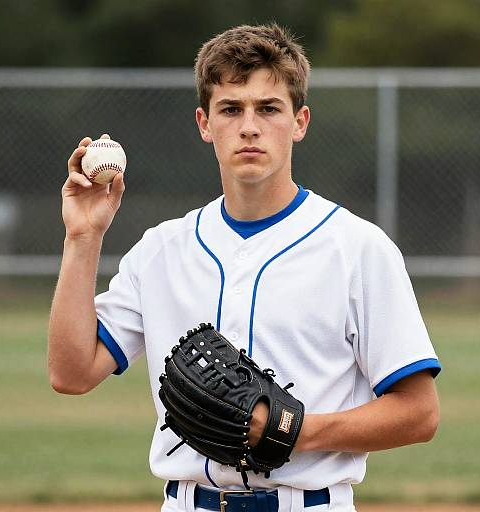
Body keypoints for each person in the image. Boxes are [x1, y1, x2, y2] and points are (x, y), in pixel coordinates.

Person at [48, 23, 441, 512]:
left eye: (269, 108)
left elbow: (420, 414)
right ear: (204, 123)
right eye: (231, 108)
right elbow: (71, 372)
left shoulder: (357, 248)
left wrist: (290, 431)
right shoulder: (161, 250)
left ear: (300, 122)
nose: (249, 126)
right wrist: (83, 237)